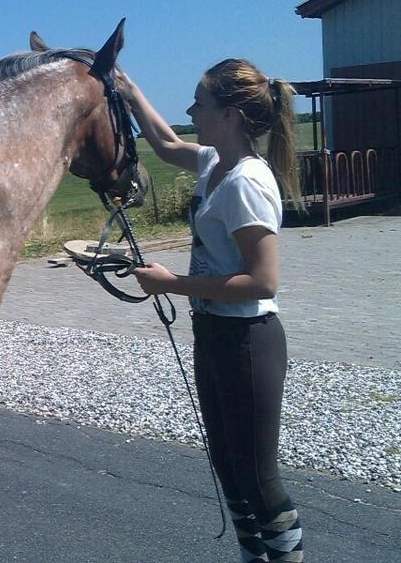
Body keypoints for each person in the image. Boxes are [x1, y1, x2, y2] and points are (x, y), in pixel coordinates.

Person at [121, 59, 304, 563]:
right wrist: (130, 89)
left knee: (257, 476)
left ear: (230, 114)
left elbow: (263, 280)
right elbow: (162, 143)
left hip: (248, 340)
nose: (190, 110)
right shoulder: (213, 163)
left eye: (199, 102)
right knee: (228, 465)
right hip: (214, 333)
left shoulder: (245, 181)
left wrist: (172, 283)